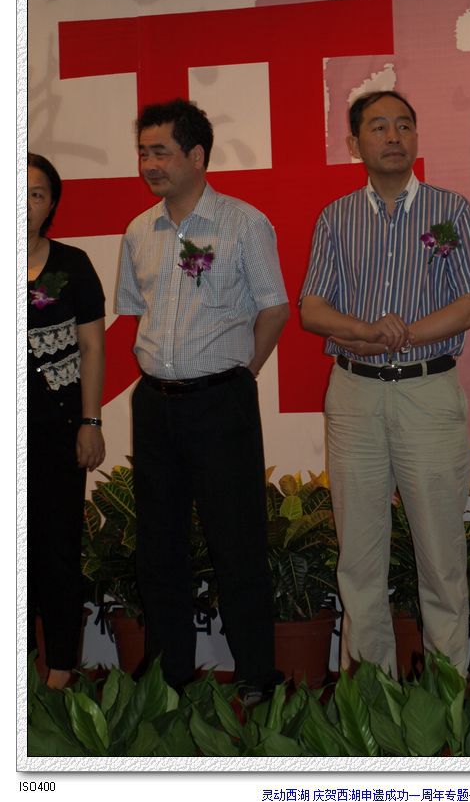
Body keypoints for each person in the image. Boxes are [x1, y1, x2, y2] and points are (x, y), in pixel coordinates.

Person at [300, 90, 470, 676]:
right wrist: (364, 331)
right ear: (354, 142)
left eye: (404, 125)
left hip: (427, 391)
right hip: (354, 395)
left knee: (440, 556)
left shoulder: (450, 211)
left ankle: (447, 695)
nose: (393, 136)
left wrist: (400, 335)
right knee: (359, 559)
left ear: (416, 137)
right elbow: (313, 309)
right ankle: (371, 698)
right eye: (379, 126)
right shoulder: (335, 217)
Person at [115, 98, 289, 697]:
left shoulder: (243, 223)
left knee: (237, 544)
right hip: (154, 404)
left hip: (221, 402)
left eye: (160, 152)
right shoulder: (139, 231)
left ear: (196, 155)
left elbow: (274, 308)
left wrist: (242, 374)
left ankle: (257, 677)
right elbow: (134, 310)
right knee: (159, 548)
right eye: (143, 152)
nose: (149, 164)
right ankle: (170, 679)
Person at [27, 153, 106, 689]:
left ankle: (59, 669)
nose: (25, 204)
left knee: (57, 550)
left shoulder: (71, 265)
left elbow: (92, 347)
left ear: (52, 203)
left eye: (36, 194)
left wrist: (90, 421)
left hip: (58, 432)